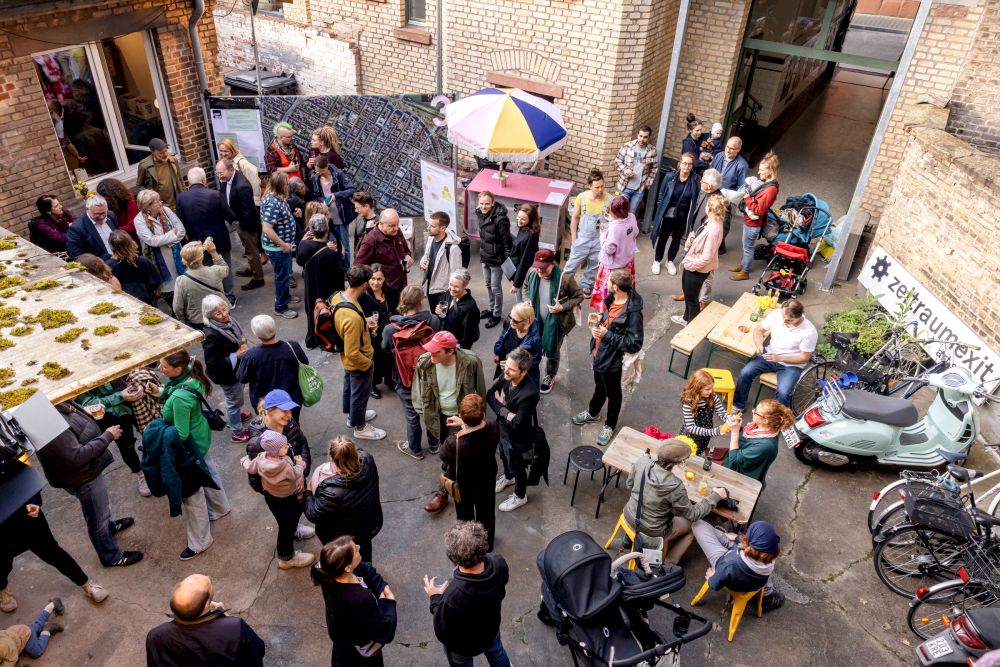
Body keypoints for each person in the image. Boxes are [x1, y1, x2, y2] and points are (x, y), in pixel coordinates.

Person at [36, 401, 143, 568]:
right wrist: (108, 435)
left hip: (88, 471)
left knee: (101, 508)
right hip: (82, 477)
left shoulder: (54, 403)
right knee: (97, 518)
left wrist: (84, 413)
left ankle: (109, 528)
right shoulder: (47, 421)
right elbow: (76, 457)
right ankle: (111, 556)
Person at [153, 349, 232, 560]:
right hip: (201, 438)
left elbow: (180, 433)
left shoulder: (179, 397)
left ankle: (200, 541)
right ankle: (220, 507)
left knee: (192, 495)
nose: (160, 368)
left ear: (177, 369)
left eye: (164, 366)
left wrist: (157, 432)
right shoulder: (191, 373)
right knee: (210, 472)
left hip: (189, 447)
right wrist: (160, 392)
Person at [411, 330, 486, 507]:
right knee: (451, 450)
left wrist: (477, 418)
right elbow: (417, 392)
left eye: (436, 351)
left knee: (452, 453)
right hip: (438, 417)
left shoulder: (470, 362)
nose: (431, 355)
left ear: (450, 351)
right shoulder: (425, 363)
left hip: (460, 417)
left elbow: (480, 392)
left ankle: (444, 490)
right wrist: (425, 414)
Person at [622, 439, 728, 563]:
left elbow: (629, 484)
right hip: (652, 531)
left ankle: (627, 540)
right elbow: (693, 514)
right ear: (679, 462)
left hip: (629, 514)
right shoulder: (675, 485)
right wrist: (715, 496)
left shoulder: (642, 462)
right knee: (695, 526)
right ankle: (669, 564)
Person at [572, 269, 644, 446]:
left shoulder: (633, 313)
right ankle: (593, 412)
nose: (605, 283)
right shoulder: (613, 298)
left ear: (617, 287)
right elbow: (611, 321)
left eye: (608, 281)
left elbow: (634, 343)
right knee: (599, 386)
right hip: (599, 354)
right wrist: (601, 319)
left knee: (614, 394)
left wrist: (607, 334)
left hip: (613, 361)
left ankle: (610, 425)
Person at [425, 522, 511, 666]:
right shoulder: (498, 563)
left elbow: (443, 629)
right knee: (497, 654)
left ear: (454, 558)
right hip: (490, 629)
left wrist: (435, 598)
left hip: (463, 646)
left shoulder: (453, 596)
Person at [1, 499, 109, 613]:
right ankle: (2, 588)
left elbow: (26, 482)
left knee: (53, 552)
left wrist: (34, 502)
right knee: (2, 563)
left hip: (24, 513)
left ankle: (86, 584)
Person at [145, 574, 265, 667]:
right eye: (210, 586)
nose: (208, 577)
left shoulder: (156, 636)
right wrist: (227, 619)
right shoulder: (234, 628)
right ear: (206, 606)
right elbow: (258, 651)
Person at [312, 536, 397, 666]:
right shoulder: (359, 599)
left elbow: (364, 569)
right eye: (355, 550)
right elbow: (385, 631)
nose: (359, 547)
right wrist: (388, 602)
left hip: (342, 639)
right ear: (347, 567)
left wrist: (380, 586)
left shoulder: (329, 572)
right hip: (357, 655)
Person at [241, 430, 315, 570]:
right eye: (284, 446)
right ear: (275, 450)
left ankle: (292, 531)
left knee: (284, 521)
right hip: (287, 496)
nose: (287, 447)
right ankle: (286, 557)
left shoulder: (261, 458)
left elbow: (250, 467)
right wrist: (300, 463)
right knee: (286, 525)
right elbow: (295, 474)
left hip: (272, 497)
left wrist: (244, 459)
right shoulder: (284, 465)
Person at [382, 285, 442, 457]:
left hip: (404, 378)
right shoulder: (433, 321)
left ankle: (415, 449)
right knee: (431, 409)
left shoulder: (391, 328)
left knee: (411, 415)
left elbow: (385, 348)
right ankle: (434, 444)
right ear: (421, 301)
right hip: (430, 376)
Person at [327, 264, 385, 440]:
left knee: (350, 387)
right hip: (358, 361)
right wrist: (368, 363)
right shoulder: (352, 319)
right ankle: (360, 427)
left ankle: (353, 416)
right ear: (365, 284)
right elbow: (353, 352)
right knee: (359, 394)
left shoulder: (338, 296)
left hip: (347, 359)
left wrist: (363, 321)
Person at [304, 437, 382, 561]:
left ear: (331, 457)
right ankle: (368, 573)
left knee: (344, 561)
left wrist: (307, 493)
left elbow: (313, 513)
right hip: (368, 525)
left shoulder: (331, 491)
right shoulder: (368, 460)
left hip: (341, 537)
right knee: (364, 555)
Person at [438, 397, 500, 550]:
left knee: (465, 517)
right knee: (486, 515)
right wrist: (464, 422)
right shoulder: (493, 427)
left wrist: (462, 424)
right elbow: (479, 429)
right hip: (486, 479)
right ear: (484, 414)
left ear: (461, 413)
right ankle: (487, 544)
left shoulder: (453, 443)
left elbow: (443, 456)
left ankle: (469, 547)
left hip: (464, 485)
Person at [733, 298, 817, 411]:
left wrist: (780, 358)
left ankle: (778, 421)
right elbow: (759, 330)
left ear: (800, 316)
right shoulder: (777, 314)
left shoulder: (809, 332)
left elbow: (804, 358)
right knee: (745, 373)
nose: (784, 321)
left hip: (791, 365)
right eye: (783, 317)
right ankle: (738, 406)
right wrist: (759, 344)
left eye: (789, 320)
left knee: (783, 393)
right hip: (770, 355)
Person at [521, 249, 584, 395]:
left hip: (557, 323)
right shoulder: (532, 272)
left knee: (553, 350)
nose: (540, 271)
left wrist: (562, 307)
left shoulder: (565, 278)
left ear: (552, 263)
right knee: (531, 345)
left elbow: (579, 296)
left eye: (543, 268)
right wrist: (527, 301)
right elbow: (525, 287)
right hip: (535, 321)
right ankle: (529, 371)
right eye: (538, 267)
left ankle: (550, 374)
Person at [76, 378, 150, 496]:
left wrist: (138, 386)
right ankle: (141, 475)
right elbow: (89, 403)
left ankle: (158, 464)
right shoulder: (78, 378)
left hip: (137, 405)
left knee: (150, 435)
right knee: (127, 447)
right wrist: (120, 396)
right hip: (112, 415)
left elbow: (132, 373)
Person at [488, 348, 539, 513]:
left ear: (523, 372)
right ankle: (508, 478)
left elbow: (517, 424)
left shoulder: (529, 393)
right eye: (506, 366)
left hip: (517, 438)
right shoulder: (508, 373)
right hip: (503, 431)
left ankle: (520, 495)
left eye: (511, 369)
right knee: (503, 456)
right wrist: (507, 413)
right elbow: (489, 395)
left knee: (517, 466)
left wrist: (501, 407)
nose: (505, 371)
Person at [691, 520, 784, 610]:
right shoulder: (770, 558)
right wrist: (737, 538)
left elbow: (714, 584)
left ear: (748, 544)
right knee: (727, 538)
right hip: (751, 578)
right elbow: (755, 550)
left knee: (698, 525)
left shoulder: (729, 564)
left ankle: (721, 534)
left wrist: (711, 576)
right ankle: (767, 598)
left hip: (727, 565)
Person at [176, 167, 237, 304]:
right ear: (203, 179)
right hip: (219, 240)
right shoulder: (215, 194)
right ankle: (229, 297)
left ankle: (211, 297)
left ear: (189, 182)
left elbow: (181, 222)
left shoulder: (181, 198)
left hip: (197, 242)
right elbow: (230, 216)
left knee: (203, 270)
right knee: (224, 268)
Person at [237, 314, 310, 423]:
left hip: (265, 402)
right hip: (291, 399)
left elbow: (242, 377)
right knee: (292, 424)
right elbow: (305, 363)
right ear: (274, 329)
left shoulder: (251, 355)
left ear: (257, 335)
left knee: (269, 426)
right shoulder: (292, 347)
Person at [201, 294, 252, 442]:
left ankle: (236, 415)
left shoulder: (229, 322)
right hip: (226, 375)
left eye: (224, 309)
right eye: (218, 313)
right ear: (210, 315)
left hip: (236, 370)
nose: (224, 314)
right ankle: (236, 431)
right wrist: (236, 355)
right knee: (233, 401)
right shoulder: (210, 335)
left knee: (237, 397)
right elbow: (212, 363)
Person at [672, 194, 726, 326]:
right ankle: (686, 318)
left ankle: (691, 327)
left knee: (692, 299)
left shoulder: (714, 229)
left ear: (710, 209)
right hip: (693, 264)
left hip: (697, 268)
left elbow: (707, 258)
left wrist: (689, 264)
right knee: (688, 294)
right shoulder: (712, 221)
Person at [730, 150, 780, 281]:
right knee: (745, 247)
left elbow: (759, 210)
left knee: (748, 248)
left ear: (771, 170)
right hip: (749, 221)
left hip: (753, 224)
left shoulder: (771, 189)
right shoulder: (767, 184)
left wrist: (747, 198)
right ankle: (743, 265)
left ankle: (745, 272)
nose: (759, 172)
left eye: (762, 170)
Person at [298, 212, 345, 348]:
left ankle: (312, 338)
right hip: (327, 290)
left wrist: (303, 240)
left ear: (311, 230)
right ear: (327, 230)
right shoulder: (331, 254)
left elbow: (300, 259)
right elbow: (338, 277)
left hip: (311, 287)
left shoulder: (304, 245)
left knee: (311, 311)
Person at [216, 158, 264, 291]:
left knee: (252, 252)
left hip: (247, 225)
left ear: (231, 169)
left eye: (221, 173)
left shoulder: (242, 186)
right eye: (217, 173)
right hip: (239, 222)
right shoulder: (226, 180)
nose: (219, 176)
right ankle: (252, 268)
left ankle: (258, 278)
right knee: (247, 250)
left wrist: (241, 225)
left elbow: (248, 211)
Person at [724, 400, 794, 487]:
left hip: (741, 477)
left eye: (756, 412)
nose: (752, 411)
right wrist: (738, 428)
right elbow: (746, 437)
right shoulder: (760, 427)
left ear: (765, 421)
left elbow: (734, 459)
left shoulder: (765, 446)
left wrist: (735, 432)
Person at [355, 209, 412, 315]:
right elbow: (358, 268)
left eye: (397, 224)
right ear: (380, 223)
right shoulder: (370, 241)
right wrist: (372, 283)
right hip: (385, 292)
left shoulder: (396, 231)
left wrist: (408, 255)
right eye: (391, 226)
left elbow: (405, 247)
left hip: (401, 285)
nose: (395, 228)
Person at [650, 153, 699, 276]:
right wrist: (660, 210)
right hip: (668, 213)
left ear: (692, 166)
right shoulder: (669, 177)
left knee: (677, 239)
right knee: (663, 237)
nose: (686, 166)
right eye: (684, 163)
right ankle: (657, 260)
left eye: (689, 164)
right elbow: (661, 195)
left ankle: (670, 260)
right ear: (680, 164)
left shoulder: (695, 180)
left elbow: (696, 199)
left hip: (683, 215)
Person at [564, 169, 610, 297]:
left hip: (599, 240)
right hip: (582, 238)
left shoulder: (609, 200)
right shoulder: (582, 198)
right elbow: (575, 218)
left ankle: (586, 285)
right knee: (571, 264)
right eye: (597, 187)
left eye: (602, 186)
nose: (600, 189)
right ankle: (564, 285)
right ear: (590, 186)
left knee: (593, 265)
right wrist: (574, 239)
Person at [260, 172, 300, 318]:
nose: (288, 186)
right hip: (277, 248)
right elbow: (267, 228)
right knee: (281, 278)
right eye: (286, 184)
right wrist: (283, 245)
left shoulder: (277, 198)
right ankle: (280, 307)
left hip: (283, 247)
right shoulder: (272, 203)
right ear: (280, 186)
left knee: (283, 276)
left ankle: (286, 297)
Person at [134, 189, 186, 299]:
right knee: (170, 292)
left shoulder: (166, 211)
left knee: (184, 285)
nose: (161, 202)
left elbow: (181, 230)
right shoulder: (139, 221)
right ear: (148, 206)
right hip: (159, 263)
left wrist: (166, 242)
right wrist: (172, 233)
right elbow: (152, 241)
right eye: (157, 201)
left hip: (177, 255)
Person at [591, 194, 639, 311]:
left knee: (610, 291)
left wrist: (602, 236)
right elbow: (635, 232)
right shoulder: (632, 217)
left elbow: (609, 249)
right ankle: (625, 306)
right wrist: (613, 220)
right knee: (625, 288)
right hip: (627, 261)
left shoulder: (615, 229)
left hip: (614, 266)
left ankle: (607, 311)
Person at [309, 155, 355, 265]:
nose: (320, 174)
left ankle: (348, 268)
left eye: (322, 171)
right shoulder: (316, 177)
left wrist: (336, 195)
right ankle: (339, 265)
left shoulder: (338, 174)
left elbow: (352, 189)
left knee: (346, 245)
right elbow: (317, 195)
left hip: (340, 215)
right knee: (332, 243)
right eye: (318, 171)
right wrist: (323, 202)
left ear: (328, 166)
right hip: (327, 216)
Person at [475, 191, 512, 329]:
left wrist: (508, 260)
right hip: (485, 256)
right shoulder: (479, 213)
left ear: (493, 203)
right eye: (482, 203)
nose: (484, 206)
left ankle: (496, 314)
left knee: (496, 288)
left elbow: (506, 241)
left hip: (497, 259)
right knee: (488, 285)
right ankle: (491, 309)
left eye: (487, 204)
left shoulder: (501, 219)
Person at [172, 240, 228, 329]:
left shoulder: (181, 281)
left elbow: (177, 307)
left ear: (184, 260)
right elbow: (225, 269)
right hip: (221, 314)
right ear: (201, 258)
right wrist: (214, 252)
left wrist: (183, 320)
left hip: (199, 320)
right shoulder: (215, 271)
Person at [678, 369, 732, 460]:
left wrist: (730, 419)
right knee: (685, 455)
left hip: (705, 435)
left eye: (711, 388)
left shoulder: (712, 397)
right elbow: (691, 427)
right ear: (697, 388)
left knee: (697, 455)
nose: (711, 391)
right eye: (707, 389)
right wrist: (715, 432)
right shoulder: (688, 402)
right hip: (690, 436)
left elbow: (722, 413)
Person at [360, 265, 393, 399]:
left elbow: (397, 309)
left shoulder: (390, 291)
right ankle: (372, 385)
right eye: (373, 278)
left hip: (387, 332)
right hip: (371, 333)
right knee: (374, 359)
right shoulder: (363, 295)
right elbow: (357, 315)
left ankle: (389, 380)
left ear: (384, 279)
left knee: (389, 356)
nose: (376, 282)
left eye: (379, 279)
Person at [0, 597, 65, 665]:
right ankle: (53, 604)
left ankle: (47, 629)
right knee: (38, 626)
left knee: (37, 651)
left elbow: (12, 658)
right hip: (17, 631)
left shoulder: (2, 647)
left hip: (24, 636)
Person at [492, 302, 542, 390]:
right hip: (507, 364)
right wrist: (498, 352)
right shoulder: (510, 322)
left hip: (521, 373)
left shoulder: (535, 340)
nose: (511, 322)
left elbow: (534, 362)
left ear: (526, 323)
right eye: (510, 317)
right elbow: (502, 336)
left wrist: (513, 366)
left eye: (515, 321)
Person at [420, 211, 463, 312]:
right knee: (435, 317)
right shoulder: (431, 238)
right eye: (428, 225)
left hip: (443, 292)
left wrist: (451, 296)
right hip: (431, 287)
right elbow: (426, 255)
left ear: (443, 228)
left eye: (432, 226)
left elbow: (456, 274)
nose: (428, 228)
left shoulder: (453, 248)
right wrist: (423, 261)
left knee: (444, 320)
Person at [107, 230, 160, 305]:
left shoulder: (108, 266)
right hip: (147, 301)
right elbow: (155, 282)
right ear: (131, 242)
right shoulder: (143, 261)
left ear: (111, 246)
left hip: (125, 303)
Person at [614, 125, 658, 214]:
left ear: (649, 137)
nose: (642, 139)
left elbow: (654, 169)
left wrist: (647, 183)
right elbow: (617, 161)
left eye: (645, 137)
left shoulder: (652, 151)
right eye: (640, 136)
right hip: (624, 187)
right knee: (620, 212)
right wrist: (626, 171)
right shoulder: (627, 146)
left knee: (631, 214)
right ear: (637, 135)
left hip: (639, 190)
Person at [436, 269, 480, 350]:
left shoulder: (470, 307)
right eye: (450, 284)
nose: (452, 288)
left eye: (456, 286)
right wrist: (438, 310)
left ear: (465, 286)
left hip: (456, 345)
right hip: (444, 337)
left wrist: (461, 352)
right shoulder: (449, 293)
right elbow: (442, 312)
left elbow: (468, 336)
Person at [67, 193, 118, 261]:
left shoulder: (111, 216)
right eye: (97, 214)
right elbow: (77, 257)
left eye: (104, 213)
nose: (101, 217)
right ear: (87, 209)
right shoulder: (76, 229)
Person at [136, 138, 183, 209]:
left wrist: (184, 196)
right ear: (153, 152)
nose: (165, 154)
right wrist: (149, 198)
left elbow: (180, 179)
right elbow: (140, 185)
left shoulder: (172, 159)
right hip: (160, 206)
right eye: (161, 153)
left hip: (177, 202)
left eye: (166, 151)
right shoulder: (144, 165)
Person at [218, 137, 262, 206]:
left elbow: (254, 181)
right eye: (221, 151)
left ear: (232, 150)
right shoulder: (222, 163)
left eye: (226, 151)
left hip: (244, 201)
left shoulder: (242, 163)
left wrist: (254, 202)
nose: (223, 154)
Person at [349, 191, 378, 259]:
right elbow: (356, 242)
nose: (356, 210)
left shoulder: (379, 222)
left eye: (357, 208)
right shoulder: (358, 219)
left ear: (366, 206)